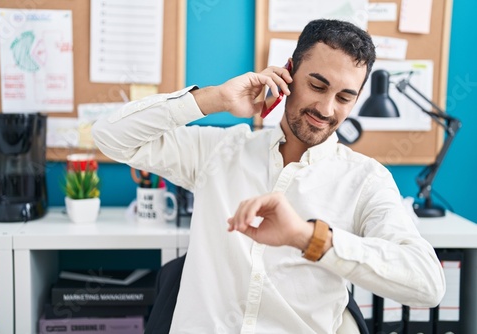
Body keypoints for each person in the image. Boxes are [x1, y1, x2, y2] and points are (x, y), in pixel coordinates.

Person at [92, 19, 445, 333]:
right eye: (318, 86)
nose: (326, 109)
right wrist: (213, 99)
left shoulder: (365, 179)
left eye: (344, 97)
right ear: (287, 73)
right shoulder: (220, 150)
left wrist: (308, 238)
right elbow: (109, 136)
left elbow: (427, 283)